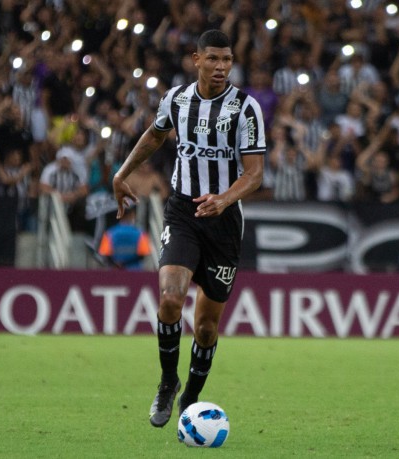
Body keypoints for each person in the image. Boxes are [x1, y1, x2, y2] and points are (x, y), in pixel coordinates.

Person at [111, 30, 266, 428]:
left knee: (207, 326)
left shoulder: (245, 109)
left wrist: (225, 199)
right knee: (169, 299)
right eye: (212, 59)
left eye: (227, 60)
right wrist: (122, 172)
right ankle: (167, 382)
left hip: (224, 222)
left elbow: (254, 174)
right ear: (196, 59)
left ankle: (192, 400)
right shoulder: (176, 99)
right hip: (182, 211)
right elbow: (155, 135)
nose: (220, 67)